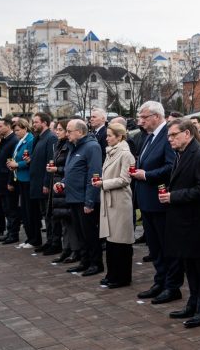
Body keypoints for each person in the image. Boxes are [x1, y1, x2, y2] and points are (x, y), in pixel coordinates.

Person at [160, 118, 200, 328]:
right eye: (168, 136)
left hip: (197, 224)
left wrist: (174, 196)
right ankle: (193, 304)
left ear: (188, 134)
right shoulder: (180, 154)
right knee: (190, 268)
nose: (170, 139)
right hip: (184, 223)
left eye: (174, 135)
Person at [131, 101, 182, 304]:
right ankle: (160, 281)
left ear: (156, 116)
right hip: (147, 201)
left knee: (166, 246)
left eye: (144, 117)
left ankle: (172, 286)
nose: (140, 121)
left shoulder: (166, 136)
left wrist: (147, 175)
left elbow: (172, 167)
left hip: (161, 201)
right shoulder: (148, 137)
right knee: (154, 248)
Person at [95, 122, 135, 288]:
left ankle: (122, 277)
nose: (107, 138)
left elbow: (125, 179)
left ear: (119, 137)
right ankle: (112, 274)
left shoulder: (125, 154)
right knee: (111, 240)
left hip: (119, 201)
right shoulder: (110, 152)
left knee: (121, 241)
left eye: (110, 135)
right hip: (109, 200)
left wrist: (104, 183)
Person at [61, 119, 104, 276]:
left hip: (84, 199)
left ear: (80, 132)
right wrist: (63, 183)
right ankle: (84, 261)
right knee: (80, 233)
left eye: (69, 131)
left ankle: (96, 263)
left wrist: (90, 201)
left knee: (90, 233)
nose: (67, 134)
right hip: (73, 197)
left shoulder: (92, 147)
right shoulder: (73, 146)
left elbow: (94, 175)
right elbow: (72, 170)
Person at [47, 119, 78, 262]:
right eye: (56, 129)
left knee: (70, 221)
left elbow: (72, 168)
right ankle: (66, 249)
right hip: (58, 185)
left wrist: (57, 169)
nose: (56, 132)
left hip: (66, 186)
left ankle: (74, 250)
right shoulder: (59, 145)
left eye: (60, 129)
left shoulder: (70, 146)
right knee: (63, 221)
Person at [6, 119, 36, 247]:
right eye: (14, 130)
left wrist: (17, 164)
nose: (16, 133)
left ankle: (34, 238)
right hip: (20, 177)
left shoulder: (30, 140)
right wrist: (12, 164)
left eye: (18, 130)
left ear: (25, 128)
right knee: (23, 209)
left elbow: (31, 159)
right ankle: (29, 238)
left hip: (27, 178)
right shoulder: (20, 140)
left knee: (29, 210)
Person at [29, 112, 56, 252]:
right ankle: (49, 241)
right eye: (33, 122)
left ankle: (53, 242)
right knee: (44, 214)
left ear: (44, 123)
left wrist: (47, 183)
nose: (34, 125)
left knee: (49, 213)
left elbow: (50, 161)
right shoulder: (38, 138)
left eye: (36, 122)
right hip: (36, 181)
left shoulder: (50, 138)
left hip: (44, 183)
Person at [0, 119, 18, 240]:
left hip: (7, 179)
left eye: (0, 126)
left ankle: (13, 234)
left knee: (11, 208)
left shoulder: (13, 140)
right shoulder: (4, 139)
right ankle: (9, 232)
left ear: (8, 127)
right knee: (5, 208)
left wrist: (10, 181)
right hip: (1, 179)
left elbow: (11, 163)